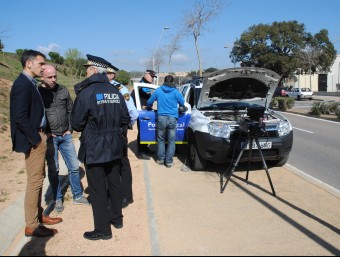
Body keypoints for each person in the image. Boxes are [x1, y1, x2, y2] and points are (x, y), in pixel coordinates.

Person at [71, 54, 130, 241]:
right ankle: (117, 219)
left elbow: (77, 124)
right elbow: (125, 119)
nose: (85, 72)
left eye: (87, 69)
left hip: (95, 148)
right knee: (114, 183)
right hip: (115, 146)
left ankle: (103, 230)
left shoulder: (86, 92)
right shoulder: (115, 92)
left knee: (97, 189)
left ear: (94, 70)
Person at [10, 50, 62, 238]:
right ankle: (32, 225)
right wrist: (36, 139)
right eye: (41, 64)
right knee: (35, 182)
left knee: (39, 179)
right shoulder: (22, 85)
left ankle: (38, 215)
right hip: (34, 140)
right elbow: (19, 117)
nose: (43, 67)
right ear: (29, 64)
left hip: (39, 136)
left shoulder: (30, 83)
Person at [39, 65, 89, 213]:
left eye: (55, 76)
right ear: (42, 77)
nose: (53, 79)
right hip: (51, 138)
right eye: (50, 77)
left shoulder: (63, 90)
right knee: (54, 170)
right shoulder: (38, 93)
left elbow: (70, 109)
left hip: (66, 136)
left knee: (74, 166)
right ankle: (57, 198)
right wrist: (47, 132)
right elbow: (36, 115)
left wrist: (70, 129)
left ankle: (77, 195)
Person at [107, 65, 138, 208]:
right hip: (106, 131)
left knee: (122, 163)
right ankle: (113, 192)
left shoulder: (121, 89)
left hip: (119, 130)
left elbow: (133, 112)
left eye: (105, 73)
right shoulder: (102, 88)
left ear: (112, 75)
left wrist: (126, 126)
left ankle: (126, 195)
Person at [146, 75, 185, 168]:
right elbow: (182, 103)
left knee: (161, 139)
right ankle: (169, 162)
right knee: (171, 140)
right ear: (173, 82)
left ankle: (160, 160)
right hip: (172, 118)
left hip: (161, 118)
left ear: (164, 81)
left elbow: (149, 101)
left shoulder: (158, 90)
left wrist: (148, 107)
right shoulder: (176, 92)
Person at [131, 70, 157, 160]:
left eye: (153, 77)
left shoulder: (147, 87)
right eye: (151, 76)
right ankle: (141, 152)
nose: (152, 78)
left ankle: (145, 149)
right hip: (141, 113)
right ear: (146, 74)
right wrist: (141, 106)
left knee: (146, 132)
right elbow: (132, 99)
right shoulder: (139, 86)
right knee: (142, 133)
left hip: (147, 112)